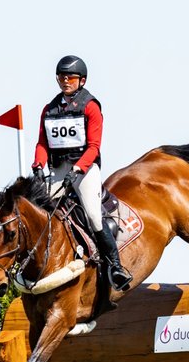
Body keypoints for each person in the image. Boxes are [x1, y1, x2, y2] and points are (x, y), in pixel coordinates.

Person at [32, 54, 132, 290]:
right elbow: (42, 143)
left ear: (82, 80)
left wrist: (77, 169)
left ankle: (115, 266)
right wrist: (37, 164)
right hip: (57, 169)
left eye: (70, 77)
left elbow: (94, 146)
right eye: (61, 77)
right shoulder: (50, 109)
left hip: (84, 168)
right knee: (40, 211)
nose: (65, 81)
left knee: (93, 215)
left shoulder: (91, 107)